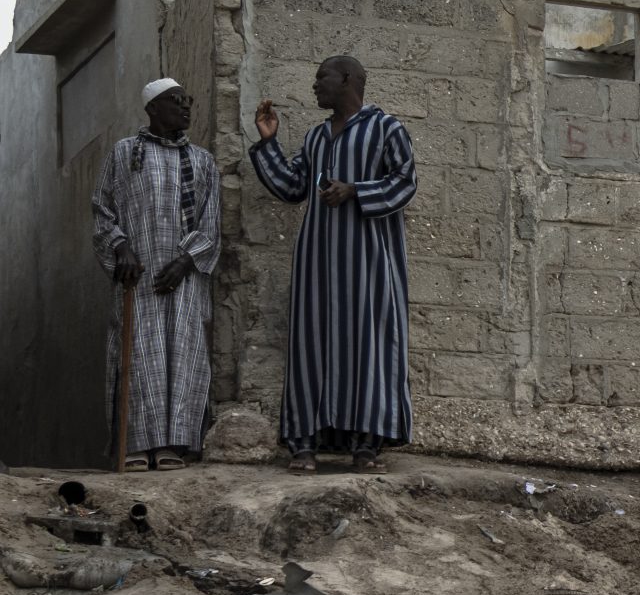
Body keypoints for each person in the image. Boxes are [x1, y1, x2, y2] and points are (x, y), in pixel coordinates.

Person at [249, 55, 417, 474]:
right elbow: (292, 187)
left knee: (370, 346)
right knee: (311, 344)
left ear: (347, 79)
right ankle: (304, 444)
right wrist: (268, 142)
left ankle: (366, 445)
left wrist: (356, 190)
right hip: (316, 265)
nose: (315, 85)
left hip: (370, 264)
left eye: (321, 77)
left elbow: (405, 181)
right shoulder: (316, 137)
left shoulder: (386, 129)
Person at [91, 77, 221, 470]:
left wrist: (185, 262)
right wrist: (121, 248)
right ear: (152, 109)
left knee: (183, 354)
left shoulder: (202, 160)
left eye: (188, 101)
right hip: (138, 276)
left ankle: (173, 444)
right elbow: (102, 209)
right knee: (138, 353)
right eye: (175, 101)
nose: (185, 107)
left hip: (183, 278)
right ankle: (134, 445)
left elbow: (211, 222)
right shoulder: (125, 152)